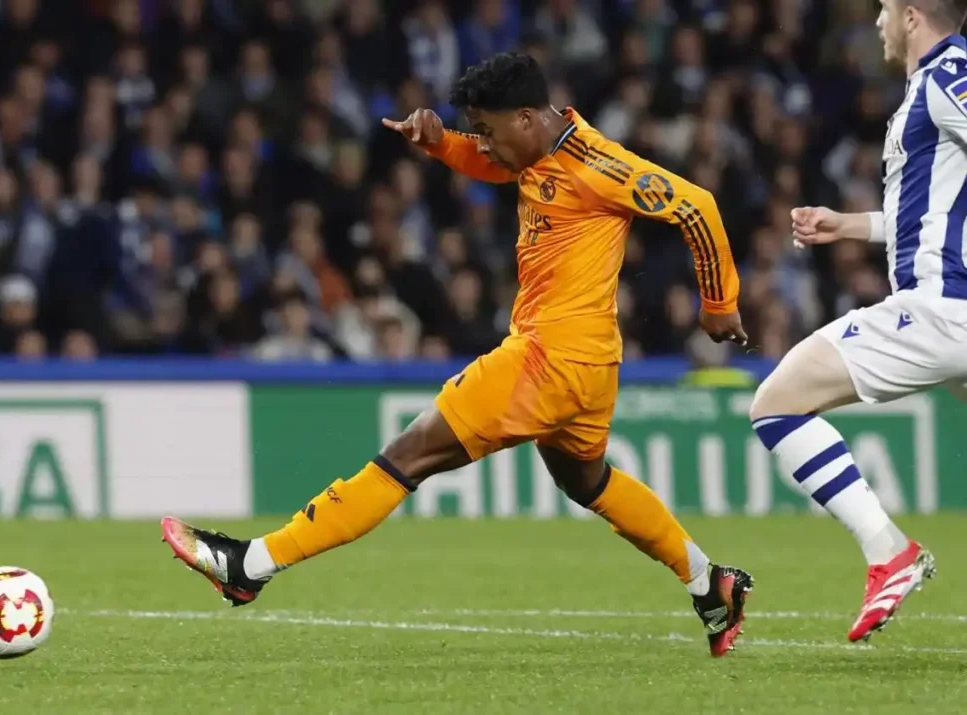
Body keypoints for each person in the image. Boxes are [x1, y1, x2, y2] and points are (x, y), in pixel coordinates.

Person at [161, 53, 753, 656]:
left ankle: (249, 566)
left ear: (525, 118)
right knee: (588, 482)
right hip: (588, 365)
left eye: (489, 131)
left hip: (548, 359)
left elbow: (696, 205)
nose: (486, 145)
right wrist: (444, 143)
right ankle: (711, 583)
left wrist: (718, 303)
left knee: (406, 455)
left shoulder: (595, 164)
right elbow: (495, 165)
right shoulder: (539, 149)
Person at [753, 0, 967, 643]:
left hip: (940, 310)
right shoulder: (927, 88)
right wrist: (848, 225)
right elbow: (929, 214)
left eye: (882, 7)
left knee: (778, 403)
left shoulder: (947, 76)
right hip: (947, 307)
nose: (874, 20)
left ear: (910, 16)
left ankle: (888, 551)